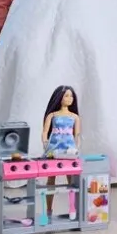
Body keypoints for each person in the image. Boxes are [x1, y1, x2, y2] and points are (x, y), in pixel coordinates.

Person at [42, 85, 82, 219]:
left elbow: (77, 135)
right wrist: (46, 145)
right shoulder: (52, 115)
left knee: (71, 181)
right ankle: (48, 210)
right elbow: (45, 132)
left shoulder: (75, 117)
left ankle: (73, 209)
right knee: (51, 180)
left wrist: (76, 148)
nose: (70, 98)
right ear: (59, 97)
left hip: (69, 150)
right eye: (66, 96)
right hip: (54, 149)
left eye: (71, 96)